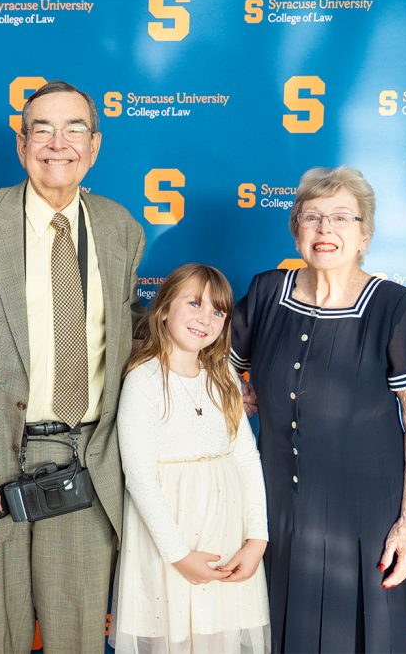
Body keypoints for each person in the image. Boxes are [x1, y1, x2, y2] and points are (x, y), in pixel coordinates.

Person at [0, 80, 145, 653]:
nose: (58, 143)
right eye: (41, 129)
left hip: (86, 467)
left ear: (94, 146)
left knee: (76, 641)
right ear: (21, 145)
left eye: (74, 128)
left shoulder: (120, 228)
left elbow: (135, 339)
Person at [231, 166, 406, 653]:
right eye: (312, 217)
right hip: (277, 513)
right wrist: (245, 399)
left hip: (366, 518)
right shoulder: (265, 293)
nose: (326, 230)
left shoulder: (396, 306)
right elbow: (213, 376)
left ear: (365, 235)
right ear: (295, 230)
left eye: (342, 218)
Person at [110, 264, 270, 654]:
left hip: (227, 540)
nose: (206, 318)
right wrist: (179, 556)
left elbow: (247, 459)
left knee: (222, 638)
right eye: (194, 303)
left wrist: (257, 539)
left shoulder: (224, 377)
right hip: (170, 543)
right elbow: (140, 479)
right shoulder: (143, 380)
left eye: (218, 311)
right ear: (164, 308)